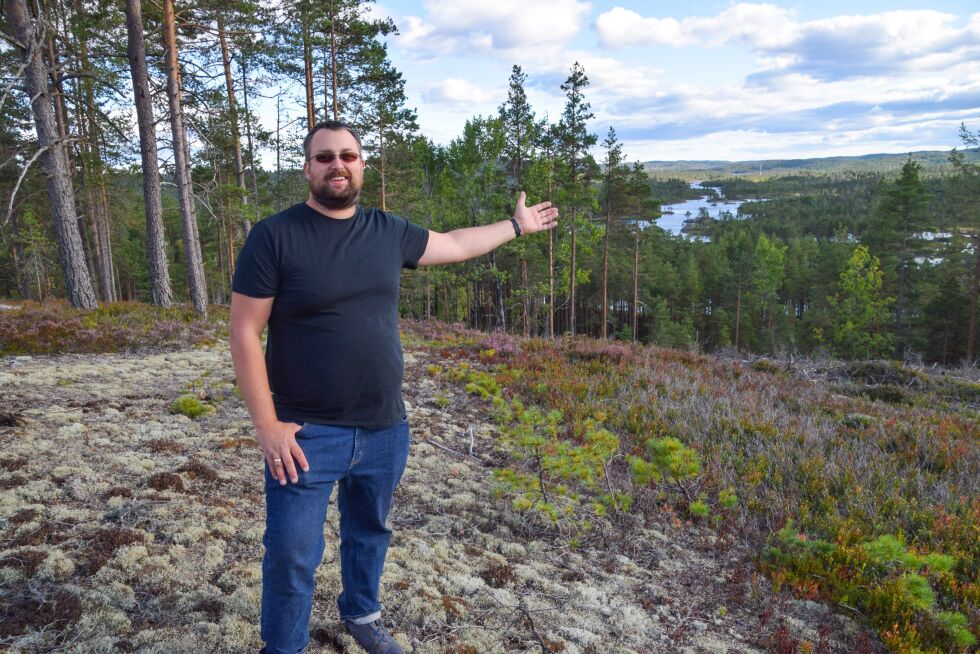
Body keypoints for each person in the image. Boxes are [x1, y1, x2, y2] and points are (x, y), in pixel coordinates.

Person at [229, 120, 558, 654]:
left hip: (385, 427)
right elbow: (245, 331)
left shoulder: (387, 231)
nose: (338, 165)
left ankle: (361, 615)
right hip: (305, 432)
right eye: (325, 157)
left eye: (348, 156)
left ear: (362, 165)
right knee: (291, 550)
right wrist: (267, 426)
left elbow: (454, 244)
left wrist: (515, 227)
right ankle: (284, 646)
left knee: (369, 531)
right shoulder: (275, 236)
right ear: (307, 168)